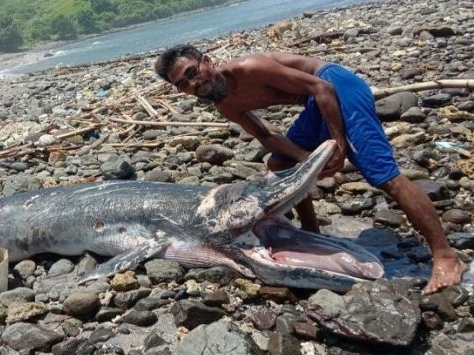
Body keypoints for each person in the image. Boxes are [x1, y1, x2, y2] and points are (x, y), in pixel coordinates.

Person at [154, 44, 466, 294]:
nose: (195, 83)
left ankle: (445, 255)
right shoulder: (225, 105)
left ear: (207, 60)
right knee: (280, 164)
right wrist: (305, 158)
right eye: (184, 84)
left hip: (337, 85)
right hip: (316, 104)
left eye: (193, 72)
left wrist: (337, 142)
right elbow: (267, 137)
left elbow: (321, 87)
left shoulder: (248, 68)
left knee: (383, 176)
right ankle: (311, 233)